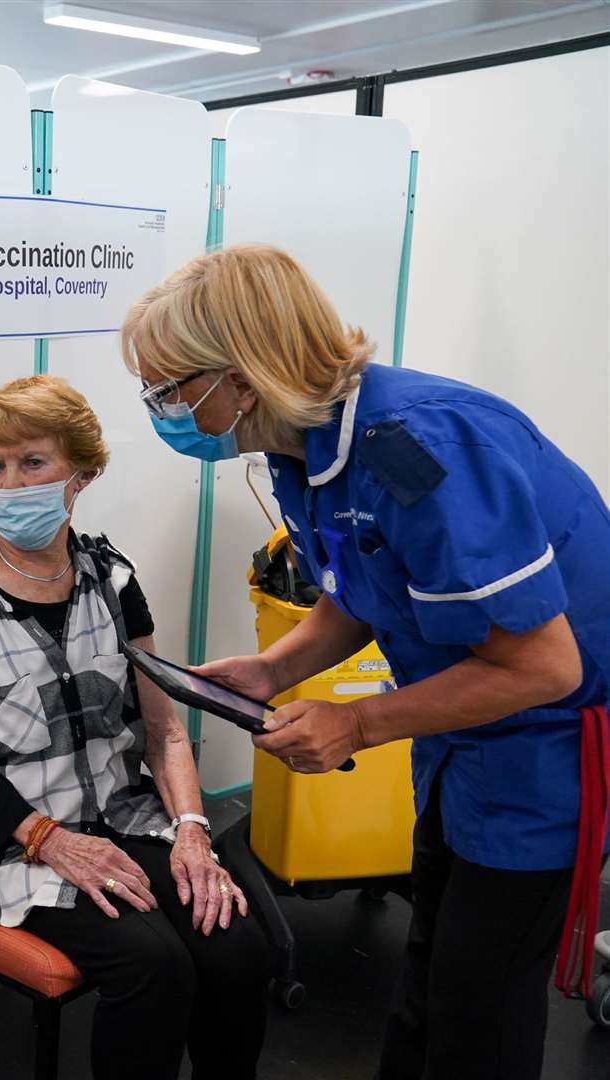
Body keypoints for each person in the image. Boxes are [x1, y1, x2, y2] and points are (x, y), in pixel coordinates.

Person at [121, 243, 610, 1080]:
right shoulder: (297, 449)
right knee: (427, 974)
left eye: (170, 388)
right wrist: (277, 670)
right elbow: (360, 585)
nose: (160, 407)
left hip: (545, 750)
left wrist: (356, 721)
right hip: (462, 738)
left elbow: (544, 669)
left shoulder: (422, 450)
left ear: (242, 374)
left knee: (481, 1004)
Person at [0, 375, 268, 1080]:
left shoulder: (112, 579)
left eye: (32, 463)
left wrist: (190, 831)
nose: (7, 484)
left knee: (236, 943)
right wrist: (48, 840)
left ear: (82, 473)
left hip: (120, 816)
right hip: (4, 845)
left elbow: (165, 731)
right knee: (154, 966)